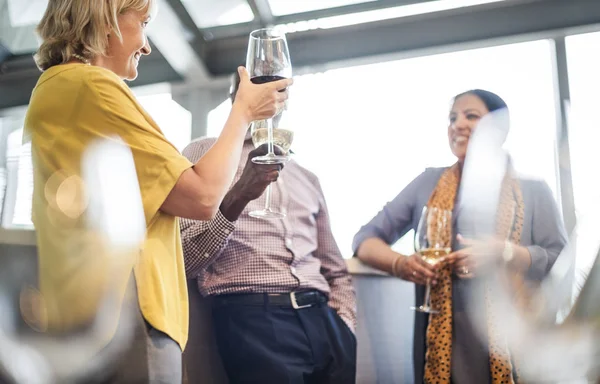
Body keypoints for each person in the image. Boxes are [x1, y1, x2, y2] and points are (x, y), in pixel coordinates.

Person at [24, 0, 291, 382]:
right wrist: (243, 113)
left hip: (95, 311)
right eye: (144, 23)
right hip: (130, 311)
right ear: (104, 18)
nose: (147, 45)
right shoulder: (89, 86)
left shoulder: (55, 90)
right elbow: (201, 197)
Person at [352, 89, 567, 384]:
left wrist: (505, 253)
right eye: (452, 118)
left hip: (519, 340)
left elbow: (561, 260)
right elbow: (365, 239)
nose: (458, 125)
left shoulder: (532, 189)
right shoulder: (428, 182)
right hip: (446, 343)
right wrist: (402, 265)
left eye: (471, 116)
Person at [181, 71, 357, 384]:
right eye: (252, 88)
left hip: (325, 324)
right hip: (253, 321)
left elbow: (335, 268)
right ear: (235, 96)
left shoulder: (307, 176)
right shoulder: (204, 153)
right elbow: (183, 259)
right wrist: (238, 196)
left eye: (276, 89)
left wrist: (344, 324)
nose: (265, 95)